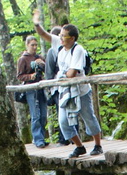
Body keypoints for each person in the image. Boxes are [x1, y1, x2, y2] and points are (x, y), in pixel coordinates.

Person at [33, 14, 103, 158]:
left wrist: (62, 74)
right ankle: (79, 146)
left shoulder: (78, 50)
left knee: (88, 117)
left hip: (81, 90)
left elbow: (72, 73)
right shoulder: (60, 47)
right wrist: (36, 23)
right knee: (63, 121)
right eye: (60, 35)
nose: (60, 38)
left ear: (72, 38)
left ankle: (98, 145)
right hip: (65, 91)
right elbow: (43, 34)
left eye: (63, 36)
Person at [16, 36, 48, 148]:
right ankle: (38, 139)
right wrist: (30, 76)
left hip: (41, 87)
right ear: (27, 45)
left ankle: (41, 137)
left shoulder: (39, 57)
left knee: (43, 114)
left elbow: (48, 70)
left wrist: (42, 63)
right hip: (30, 89)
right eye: (32, 45)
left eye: (36, 45)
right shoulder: (23, 59)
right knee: (35, 115)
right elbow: (20, 76)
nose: (34, 47)